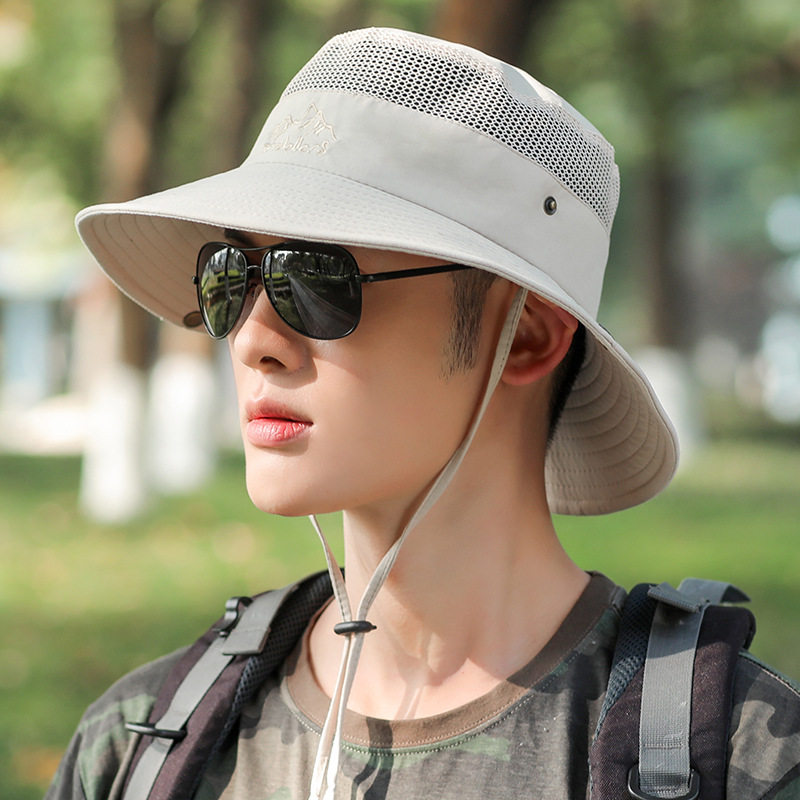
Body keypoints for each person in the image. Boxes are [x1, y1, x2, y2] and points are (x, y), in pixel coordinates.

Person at [47, 27, 799, 800]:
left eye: (316, 280)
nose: (252, 340)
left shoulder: (740, 761)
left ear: (526, 336)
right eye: (230, 277)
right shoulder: (142, 747)